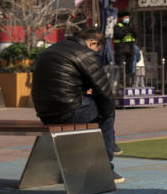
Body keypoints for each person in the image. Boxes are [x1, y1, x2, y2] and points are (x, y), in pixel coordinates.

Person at [31, 28, 122, 182]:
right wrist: (107, 120)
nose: (96, 54)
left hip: (44, 112)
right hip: (67, 111)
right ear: (93, 42)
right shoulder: (85, 54)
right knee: (107, 109)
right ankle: (106, 167)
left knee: (94, 104)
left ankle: (94, 152)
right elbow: (106, 94)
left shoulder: (51, 49)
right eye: (97, 49)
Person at [112, 11, 136, 86]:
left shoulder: (131, 26)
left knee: (130, 68)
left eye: (128, 17)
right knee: (121, 68)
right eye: (125, 17)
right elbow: (119, 35)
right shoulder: (117, 26)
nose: (127, 19)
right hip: (121, 50)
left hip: (130, 50)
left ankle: (129, 83)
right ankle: (122, 83)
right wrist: (127, 30)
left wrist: (133, 31)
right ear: (121, 18)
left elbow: (136, 35)